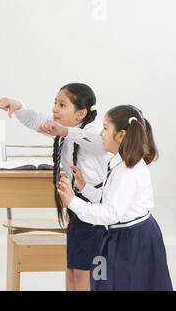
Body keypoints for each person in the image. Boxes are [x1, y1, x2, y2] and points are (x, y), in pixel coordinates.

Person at [0, 83, 110, 291]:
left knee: (86, 273)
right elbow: (37, 120)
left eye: (62, 104)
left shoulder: (94, 132)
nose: (54, 109)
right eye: (55, 103)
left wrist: (65, 131)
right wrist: (18, 106)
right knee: (73, 269)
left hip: (95, 210)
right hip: (76, 208)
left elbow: (97, 143)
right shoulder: (63, 131)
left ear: (81, 114)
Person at [58, 104, 173, 291]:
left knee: (125, 284)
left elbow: (111, 213)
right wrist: (84, 188)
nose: (101, 134)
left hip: (133, 239)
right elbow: (109, 198)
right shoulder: (119, 163)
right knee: (106, 281)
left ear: (120, 135)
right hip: (123, 235)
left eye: (105, 128)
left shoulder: (127, 171)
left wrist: (73, 202)